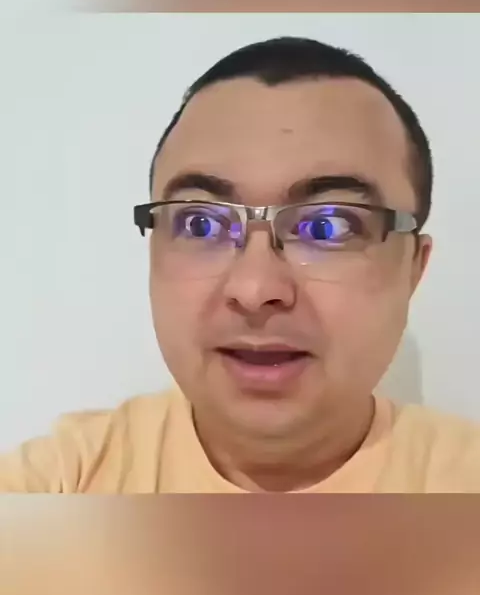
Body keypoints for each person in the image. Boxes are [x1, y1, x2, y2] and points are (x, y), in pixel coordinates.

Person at [2, 35, 480, 493]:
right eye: (200, 224)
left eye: (328, 226)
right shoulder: (65, 478)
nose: (254, 289)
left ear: (414, 268)